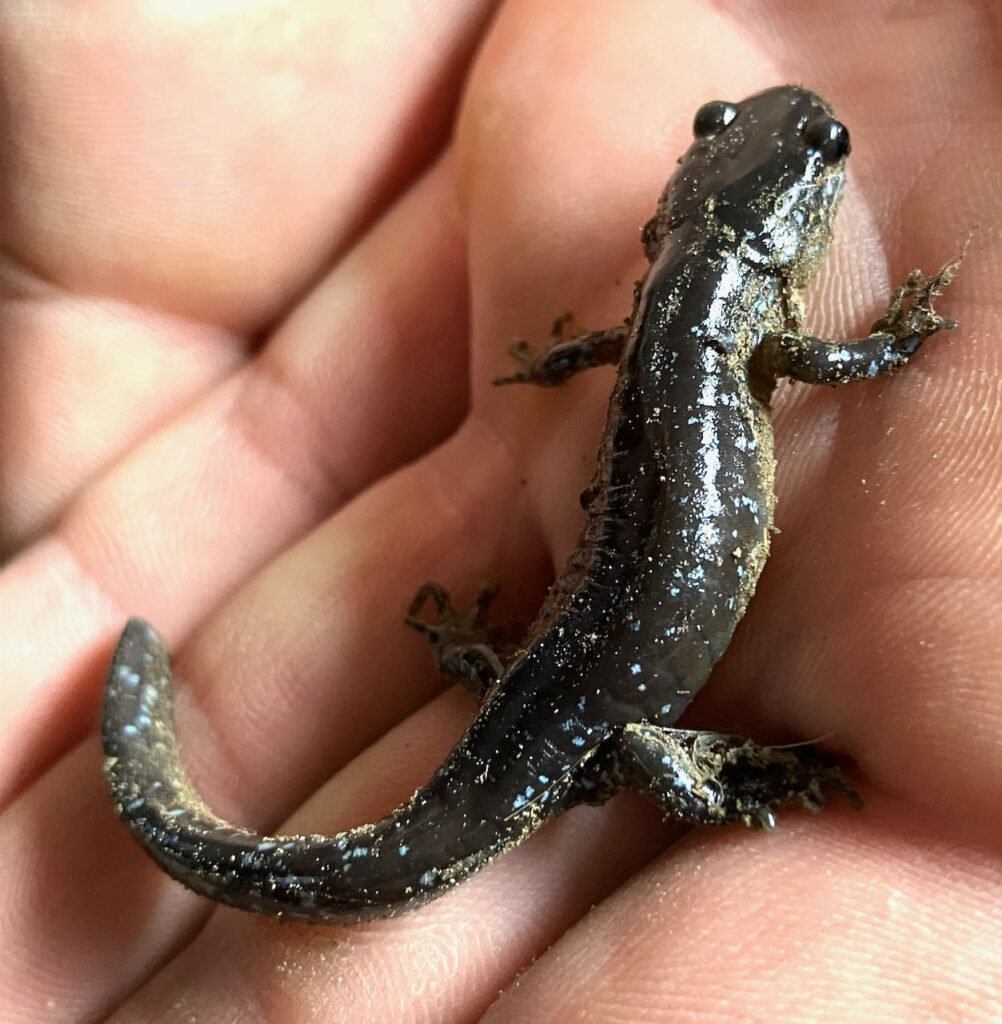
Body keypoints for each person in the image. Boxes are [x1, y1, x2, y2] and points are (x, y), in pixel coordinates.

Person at [0, 2, 997, 1020]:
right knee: (623, 738)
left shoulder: (665, 298)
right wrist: (898, 337)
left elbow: (616, 351)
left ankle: (501, 677)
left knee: (560, 705)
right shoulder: (747, 320)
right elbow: (837, 361)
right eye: (821, 149)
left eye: (826, 144)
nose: (821, 141)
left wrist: (554, 363)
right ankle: (705, 775)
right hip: (605, 717)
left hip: (571, 676)